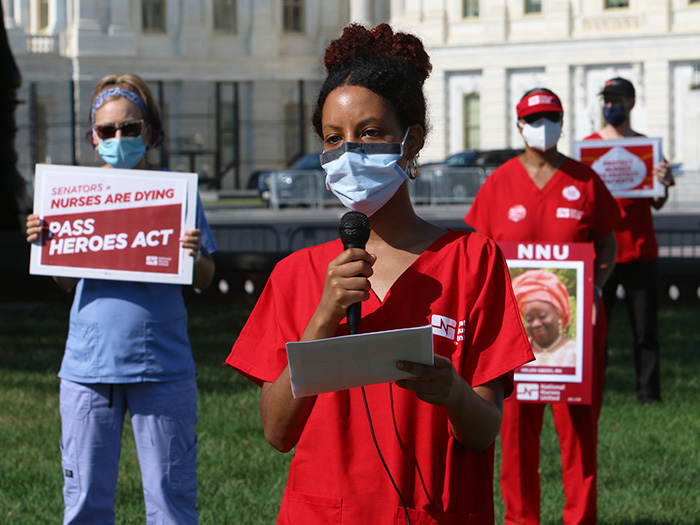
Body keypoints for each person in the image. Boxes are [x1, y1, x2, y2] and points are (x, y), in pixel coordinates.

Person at [225, 23, 533, 524]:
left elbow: (482, 430)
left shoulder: (474, 260)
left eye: (369, 133)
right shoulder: (295, 275)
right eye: (333, 139)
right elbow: (277, 433)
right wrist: (323, 318)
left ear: (410, 140)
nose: (349, 152)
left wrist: (454, 393)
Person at [25, 73, 217, 524]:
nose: (118, 138)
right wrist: (46, 244)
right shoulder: (72, 199)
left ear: (149, 132)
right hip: (88, 370)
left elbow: (206, 278)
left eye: (129, 128)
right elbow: (65, 284)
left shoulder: (177, 194)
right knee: (85, 504)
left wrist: (190, 256)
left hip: (162, 367)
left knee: (171, 504)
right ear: (94, 138)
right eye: (107, 131)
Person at [465, 88, 620, 524]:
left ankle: (580, 518)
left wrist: (594, 289)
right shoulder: (499, 183)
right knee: (514, 436)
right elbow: (481, 253)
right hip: (514, 333)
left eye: (552, 117)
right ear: (519, 125)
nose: (543, 125)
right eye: (535, 118)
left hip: (576, 334)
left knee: (579, 434)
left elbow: (608, 244)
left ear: (562, 122)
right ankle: (520, 520)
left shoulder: (585, 181)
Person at [584, 77, 674, 404]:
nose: (610, 106)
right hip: (601, 255)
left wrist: (664, 182)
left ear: (632, 103)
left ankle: (649, 395)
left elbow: (657, 202)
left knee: (645, 331)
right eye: (606, 100)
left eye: (617, 99)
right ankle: (595, 391)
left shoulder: (647, 148)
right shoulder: (589, 147)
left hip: (640, 251)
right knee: (596, 331)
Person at [512, 269, 577, 368]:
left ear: (559, 314)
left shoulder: (576, 352)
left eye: (542, 316)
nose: (536, 324)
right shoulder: (517, 351)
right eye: (529, 319)